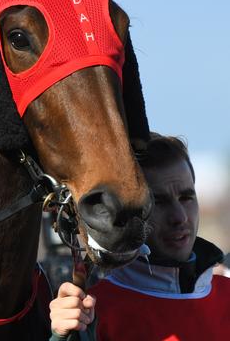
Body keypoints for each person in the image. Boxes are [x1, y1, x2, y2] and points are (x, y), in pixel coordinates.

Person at [49, 133, 230, 340]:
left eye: (186, 197)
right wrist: (61, 337)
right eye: (159, 202)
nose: (179, 217)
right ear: (127, 209)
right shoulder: (91, 311)